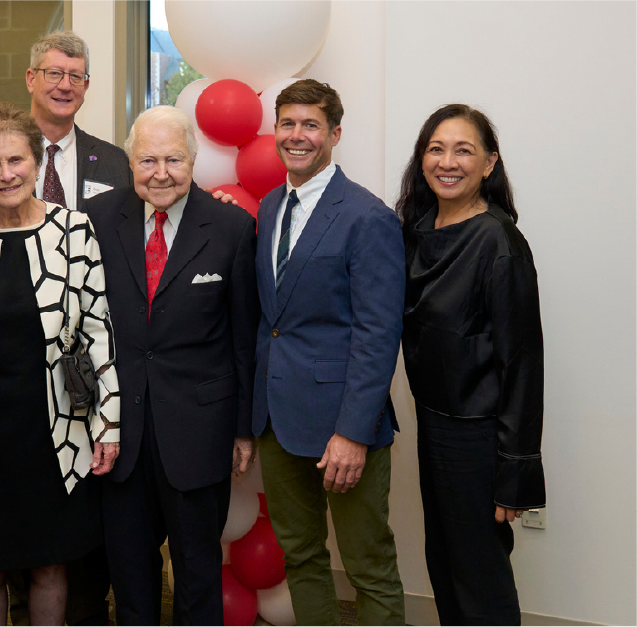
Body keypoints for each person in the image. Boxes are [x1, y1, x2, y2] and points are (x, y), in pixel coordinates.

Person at [0, 102, 120, 627]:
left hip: (54, 431)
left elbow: (99, 332)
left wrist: (109, 423)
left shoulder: (75, 231)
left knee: (49, 563)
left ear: (37, 163)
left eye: (16, 160)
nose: (6, 174)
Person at [82, 106, 259, 626]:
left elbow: (244, 338)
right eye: (147, 159)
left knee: (198, 573)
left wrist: (244, 429)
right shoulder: (95, 219)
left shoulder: (230, 225)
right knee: (130, 573)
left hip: (200, 429)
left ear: (194, 160)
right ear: (130, 161)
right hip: (119, 431)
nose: (160, 172)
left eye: (174, 159)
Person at [252, 79, 406, 626]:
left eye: (310, 125)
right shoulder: (270, 207)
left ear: (335, 133)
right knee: (302, 555)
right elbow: (273, 318)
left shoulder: (368, 217)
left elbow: (378, 335)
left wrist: (353, 433)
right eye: (287, 123)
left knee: (369, 565)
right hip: (276, 419)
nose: (297, 135)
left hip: (344, 427)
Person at [396, 104, 545, 625]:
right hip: (432, 424)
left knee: (480, 579)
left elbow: (523, 363)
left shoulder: (498, 242)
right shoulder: (415, 231)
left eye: (464, 150)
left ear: (489, 163)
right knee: (445, 566)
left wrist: (515, 471)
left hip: (479, 438)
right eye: (435, 148)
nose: (447, 161)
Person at [0, 30, 132, 215]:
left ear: (85, 86)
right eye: (54, 73)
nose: (65, 86)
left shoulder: (117, 163)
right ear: (31, 80)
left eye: (75, 76)